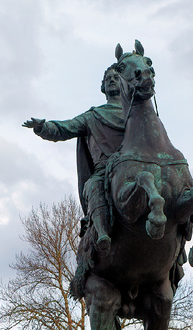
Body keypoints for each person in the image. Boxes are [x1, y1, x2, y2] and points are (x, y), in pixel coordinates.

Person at [24, 63, 126, 251]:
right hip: (105, 171)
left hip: (135, 164)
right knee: (93, 185)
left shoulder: (137, 114)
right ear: (102, 87)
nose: (111, 80)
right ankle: (101, 233)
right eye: (107, 79)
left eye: (116, 77)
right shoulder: (92, 117)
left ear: (125, 84)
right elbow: (65, 128)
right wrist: (43, 127)